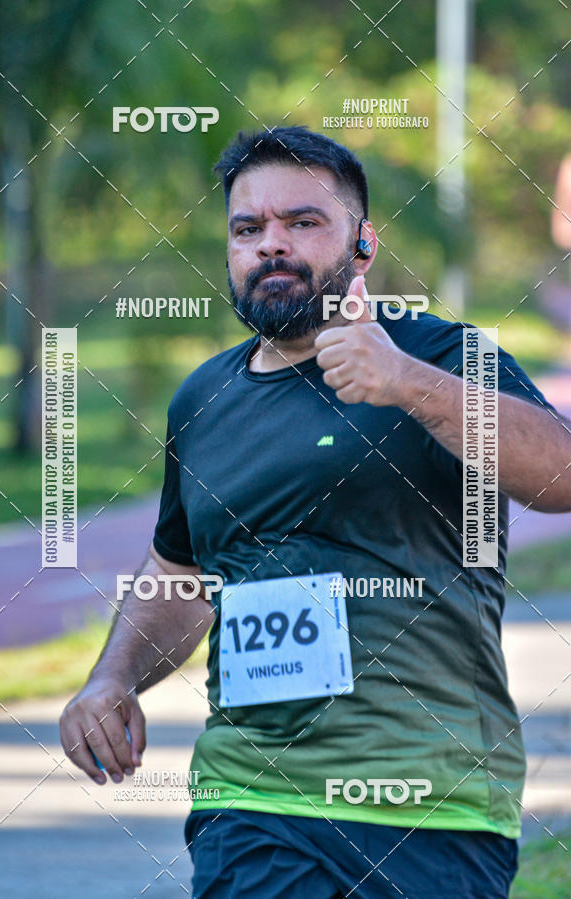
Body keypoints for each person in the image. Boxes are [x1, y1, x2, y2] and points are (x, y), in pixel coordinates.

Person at [60, 126, 571, 898]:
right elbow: (183, 569)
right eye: (247, 228)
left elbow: (561, 475)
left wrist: (407, 383)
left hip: (430, 800)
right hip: (252, 799)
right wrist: (112, 677)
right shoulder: (205, 400)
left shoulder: (443, 356)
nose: (271, 244)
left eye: (303, 222)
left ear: (362, 244)